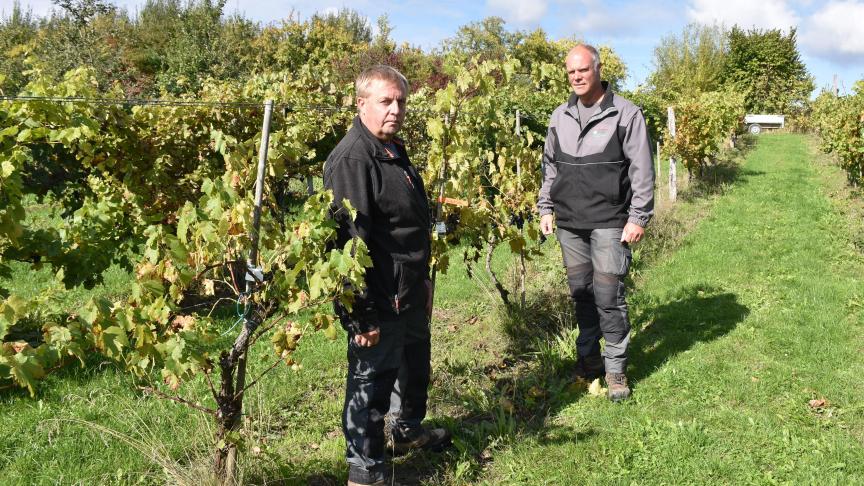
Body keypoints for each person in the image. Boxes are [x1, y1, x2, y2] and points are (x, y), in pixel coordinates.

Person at [324, 65, 451, 486]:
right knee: (371, 386)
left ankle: (407, 432)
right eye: (385, 101)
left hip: (410, 289)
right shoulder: (351, 160)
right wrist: (360, 315)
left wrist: (424, 280)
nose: (395, 109)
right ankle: (365, 472)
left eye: (400, 101)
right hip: (380, 298)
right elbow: (344, 245)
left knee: (414, 368)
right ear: (361, 104)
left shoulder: (392, 149)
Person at [537, 44, 654, 402]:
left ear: (598, 70)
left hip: (609, 220)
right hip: (570, 223)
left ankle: (615, 370)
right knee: (582, 295)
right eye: (571, 71)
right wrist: (545, 207)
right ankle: (588, 359)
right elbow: (550, 167)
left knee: (608, 296)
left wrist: (639, 216)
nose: (576, 77)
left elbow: (642, 170)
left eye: (583, 70)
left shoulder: (625, 114)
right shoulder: (560, 116)